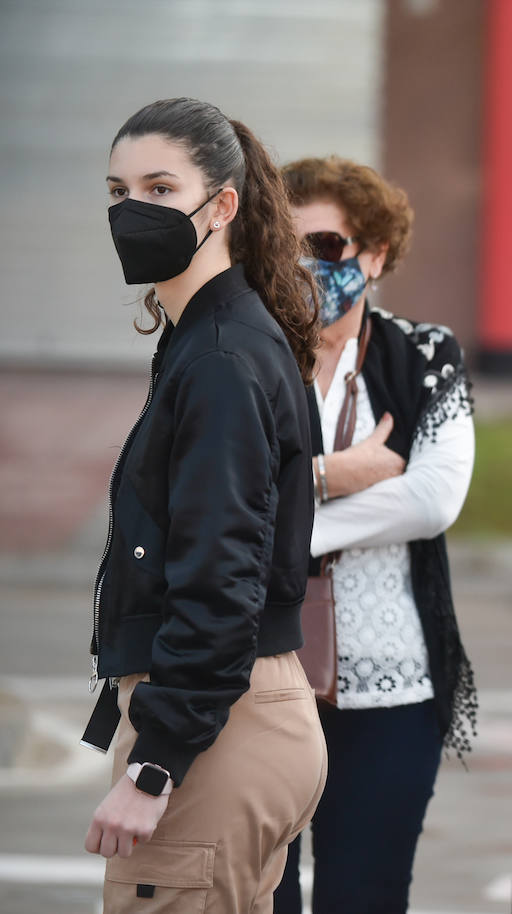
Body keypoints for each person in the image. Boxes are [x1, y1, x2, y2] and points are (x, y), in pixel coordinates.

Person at [82, 98, 327, 910]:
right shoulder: (213, 337)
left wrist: (156, 765)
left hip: (220, 731)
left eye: (160, 189)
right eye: (118, 192)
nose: (132, 211)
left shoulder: (221, 355)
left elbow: (222, 576)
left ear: (221, 206)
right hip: (242, 716)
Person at [272, 155, 477, 914]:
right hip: (254, 678)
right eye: (287, 246)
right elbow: (206, 493)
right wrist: (336, 474)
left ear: (375, 254)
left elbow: (432, 498)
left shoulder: (425, 355)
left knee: (365, 896)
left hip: (393, 685)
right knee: (260, 894)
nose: (305, 265)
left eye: (326, 246)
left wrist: (282, 523)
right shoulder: (243, 355)